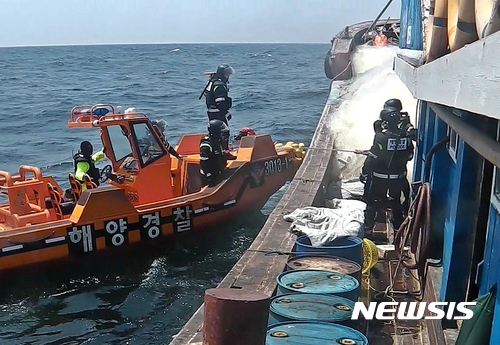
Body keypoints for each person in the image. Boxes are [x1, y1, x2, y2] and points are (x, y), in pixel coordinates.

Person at [359, 106, 414, 234]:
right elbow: (410, 155)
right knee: (396, 203)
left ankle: (368, 228)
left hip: (379, 179)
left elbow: (373, 157)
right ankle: (398, 231)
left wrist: (364, 172)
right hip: (398, 178)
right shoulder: (406, 138)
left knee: (373, 204)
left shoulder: (380, 137)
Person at [201, 64, 235, 157]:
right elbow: (220, 102)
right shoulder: (219, 85)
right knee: (224, 131)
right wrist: (226, 113)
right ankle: (224, 152)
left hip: (211, 111)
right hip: (218, 112)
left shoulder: (212, 82)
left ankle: (217, 151)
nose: (228, 76)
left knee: (215, 132)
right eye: (227, 74)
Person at [199, 119, 230, 187]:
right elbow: (204, 163)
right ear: (216, 132)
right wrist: (208, 176)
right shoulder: (206, 144)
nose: (223, 135)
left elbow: (218, 155)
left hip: (218, 172)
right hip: (209, 177)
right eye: (222, 133)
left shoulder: (216, 141)